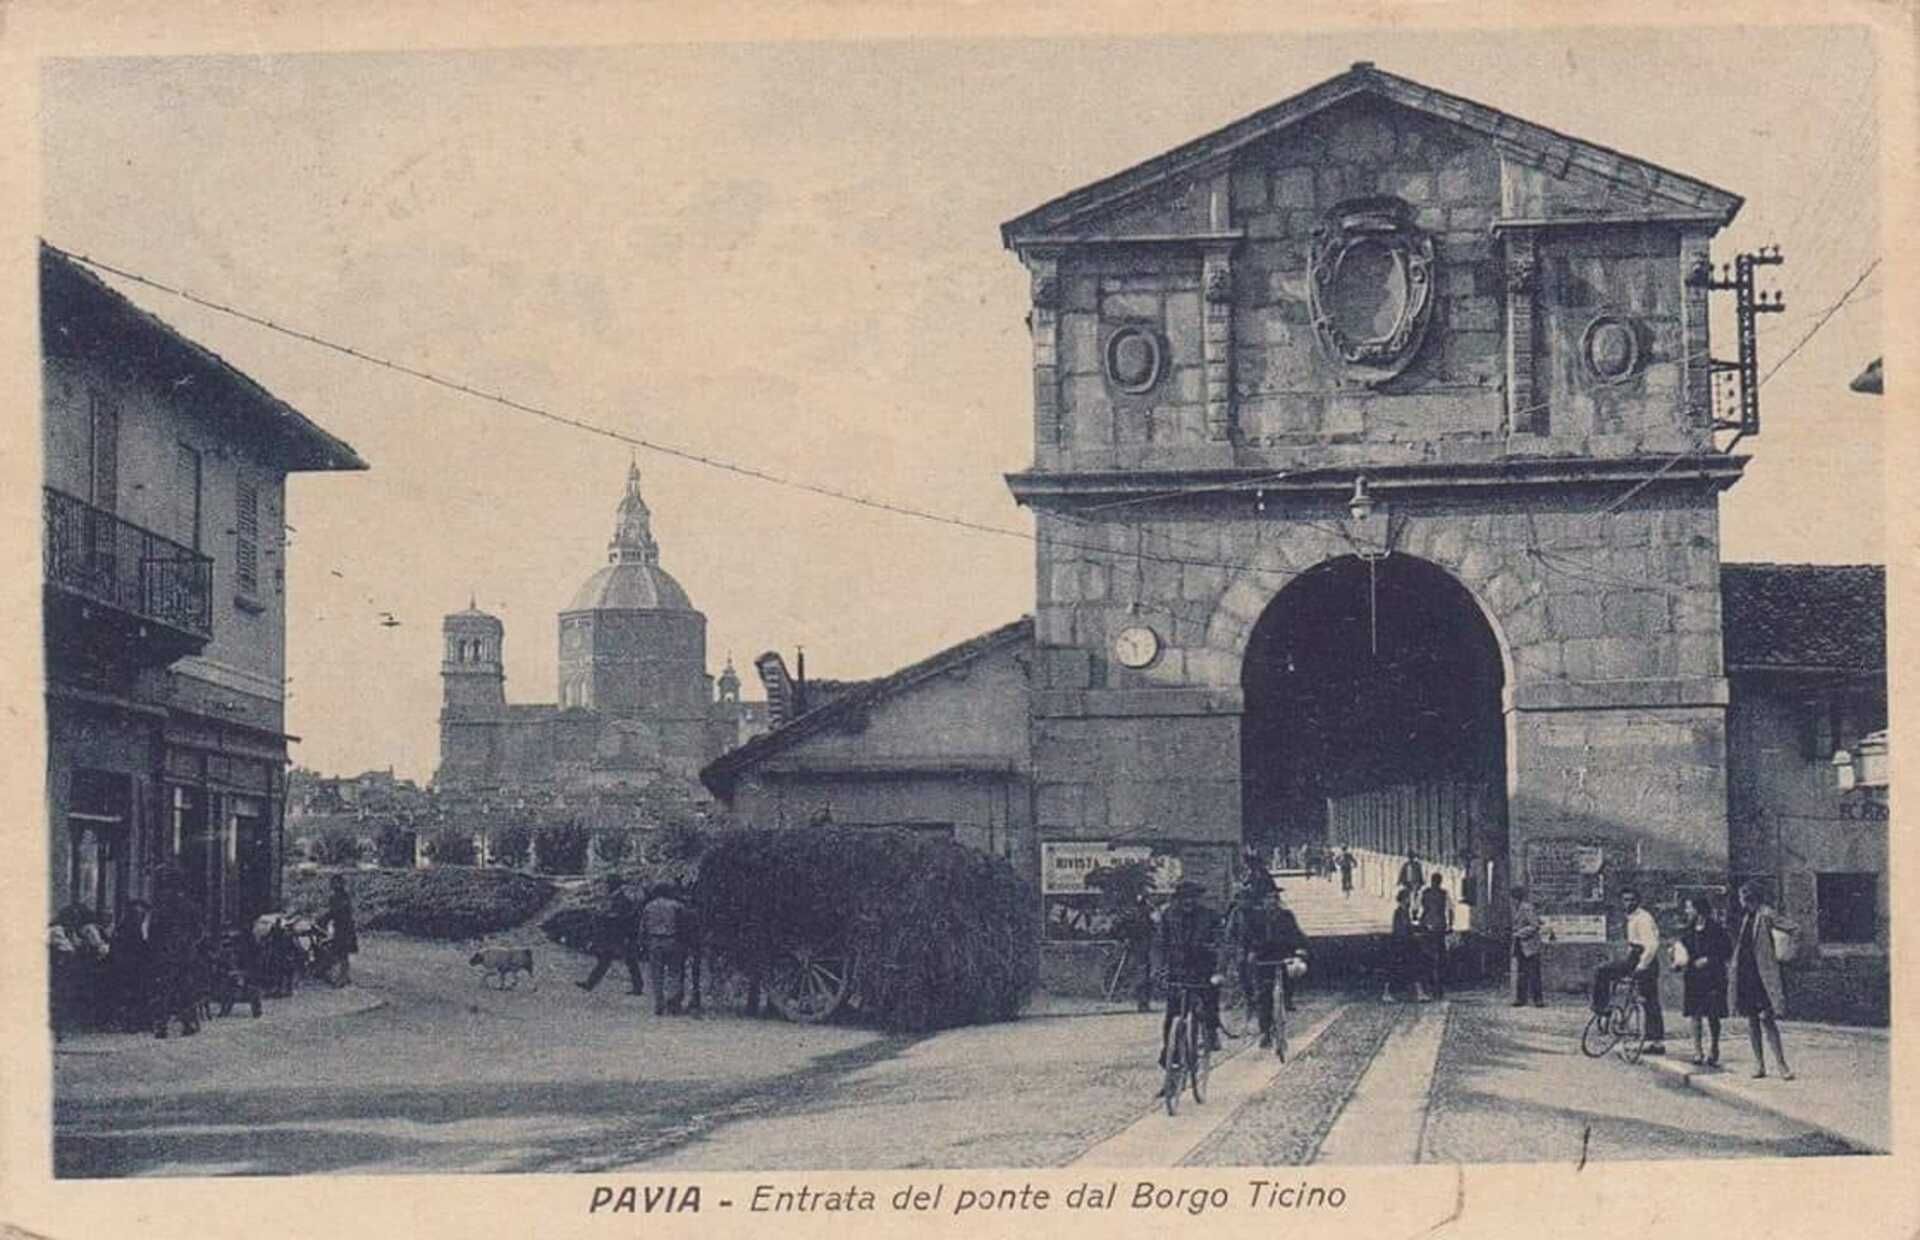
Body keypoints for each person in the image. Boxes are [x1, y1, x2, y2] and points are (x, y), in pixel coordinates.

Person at [1729, 881, 1795, 1080]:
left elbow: (1793, 928)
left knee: (1767, 1019)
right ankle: (1759, 1064)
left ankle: (1782, 1065)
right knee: (1752, 1019)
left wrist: (1785, 952)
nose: (1741, 901)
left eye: (1742, 897)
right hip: (1747, 973)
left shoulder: (1766, 915)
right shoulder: (1747, 917)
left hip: (1762, 975)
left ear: (1749, 897)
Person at [1589, 887, 1666, 1054]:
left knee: (1649, 1001)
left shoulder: (1643, 918)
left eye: (1632, 900)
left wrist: (1641, 966)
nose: (1628, 903)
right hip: (1635, 957)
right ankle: (1603, 1010)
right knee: (1603, 971)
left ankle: (1657, 1042)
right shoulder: (1631, 918)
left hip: (1646, 960)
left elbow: (1651, 946)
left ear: (1638, 901)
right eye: (1625, 900)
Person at [1155, 880, 1222, 1072]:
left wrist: (1218, 965)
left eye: (1192, 897)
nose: (1188, 901)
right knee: (1172, 1015)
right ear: (1178, 899)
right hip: (1178, 970)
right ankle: (1171, 1055)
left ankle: (1211, 1030)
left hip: (1203, 969)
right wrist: (1159, 969)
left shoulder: (1210, 917)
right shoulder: (1169, 916)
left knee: (1209, 999)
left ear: (1198, 899)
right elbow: (1160, 944)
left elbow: (1221, 942)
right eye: (1184, 897)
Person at [146, 866, 205, 1039]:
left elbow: (152, 932)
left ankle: (161, 1025)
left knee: (163, 988)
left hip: (164, 953)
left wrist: (157, 947)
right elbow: (199, 931)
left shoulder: (160, 906)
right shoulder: (190, 906)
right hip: (186, 953)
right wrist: (191, 943)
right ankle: (188, 1023)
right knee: (186, 988)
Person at [1678, 894, 1731, 1066]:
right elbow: (1682, 949)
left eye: (1689, 907)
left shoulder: (1716, 929)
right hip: (1693, 976)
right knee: (1695, 1014)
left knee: (1713, 1014)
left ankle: (1714, 1047)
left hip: (1712, 976)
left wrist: (1709, 959)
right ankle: (1697, 1050)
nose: (1687, 911)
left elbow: (1726, 951)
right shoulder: (1688, 929)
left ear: (1698, 910)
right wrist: (1678, 960)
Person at [576, 875, 644, 995]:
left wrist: (602, 915)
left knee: (623, 960)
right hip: (621, 933)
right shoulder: (622, 895)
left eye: (608, 883)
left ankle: (638, 986)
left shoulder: (621, 897)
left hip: (621, 933)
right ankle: (590, 983)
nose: (606, 886)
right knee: (610, 959)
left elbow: (620, 915)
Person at [641, 883, 689, 1015]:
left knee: (656, 974)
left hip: (654, 941)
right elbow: (684, 925)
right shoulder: (677, 906)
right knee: (674, 972)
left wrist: (642, 943)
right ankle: (672, 1002)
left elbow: (643, 926)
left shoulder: (649, 906)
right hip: (672, 940)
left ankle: (658, 1004)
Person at [109, 898, 154, 1031]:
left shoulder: (129, 925)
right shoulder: (131, 926)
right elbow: (137, 945)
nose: (141, 914)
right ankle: (134, 1022)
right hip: (132, 964)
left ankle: (137, 1022)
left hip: (134, 964)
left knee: (136, 993)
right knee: (135, 993)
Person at [1113, 891, 1158, 1012]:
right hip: (1139, 946)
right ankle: (1141, 1001)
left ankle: (1141, 1001)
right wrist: (1126, 938)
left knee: (1140, 972)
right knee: (1141, 973)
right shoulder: (1141, 913)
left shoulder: (1138, 913)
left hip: (1141, 946)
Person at [1417, 872, 1453, 1000]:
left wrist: (1420, 923)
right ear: (1440, 882)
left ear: (1432, 881)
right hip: (1439, 928)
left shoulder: (1425, 893)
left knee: (1427, 957)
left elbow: (1418, 909)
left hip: (1427, 927)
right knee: (1440, 958)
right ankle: (1438, 988)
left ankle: (1430, 985)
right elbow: (1450, 910)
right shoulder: (1444, 894)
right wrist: (1450, 926)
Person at [319, 873, 359, 986]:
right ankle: (343, 975)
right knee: (341, 953)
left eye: (336, 883)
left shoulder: (340, 897)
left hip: (344, 928)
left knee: (342, 953)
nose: (333, 885)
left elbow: (336, 912)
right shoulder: (340, 896)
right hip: (341, 927)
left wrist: (324, 919)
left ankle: (342, 977)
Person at [1510, 885, 1545, 1007]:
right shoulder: (1518, 908)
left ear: (1516, 898)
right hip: (1521, 945)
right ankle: (1521, 999)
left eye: (1513, 898)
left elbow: (1534, 925)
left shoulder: (1526, 908)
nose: (1512, 901)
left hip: (1531, 945)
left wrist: (1519, 933)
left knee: (1534, 973)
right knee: (1521, 973)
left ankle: (1538, 1000)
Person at [1384, 885, 1418, 1002]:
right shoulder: (1400, 912)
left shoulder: (1404, 912)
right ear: (1404, 899)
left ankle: (1414, 992)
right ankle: (1388, 992)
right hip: (1401, 944)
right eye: (1408, 898)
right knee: (1400, 969)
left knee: (1407, 969)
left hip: (1403, 943)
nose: (1410, 900)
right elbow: (1402, 929)